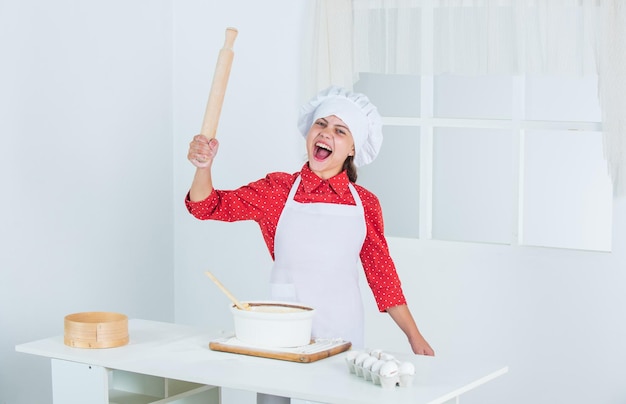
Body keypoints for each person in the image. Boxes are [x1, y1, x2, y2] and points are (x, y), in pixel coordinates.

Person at [185, 86, 434, 358]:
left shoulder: (365, 204)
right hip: (283, 330)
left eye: (340, 130)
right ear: (309, 134)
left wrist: (414, 336)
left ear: (353, 147)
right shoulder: (278, 190)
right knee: (274, 400)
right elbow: (206, 206)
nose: (327, 132)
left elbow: (383, 279)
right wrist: (203, 167)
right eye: (321, 124)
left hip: (343, 332)